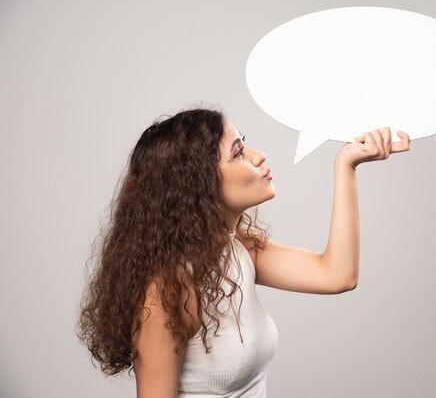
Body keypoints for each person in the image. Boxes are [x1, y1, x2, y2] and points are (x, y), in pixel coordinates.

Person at [76, 107, 410, 398]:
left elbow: (337, 275)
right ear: (198, 184)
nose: (258, 155)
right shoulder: (166, 292)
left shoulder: (237, 250)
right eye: (237, 153)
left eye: (244, 143)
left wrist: (346, 165)